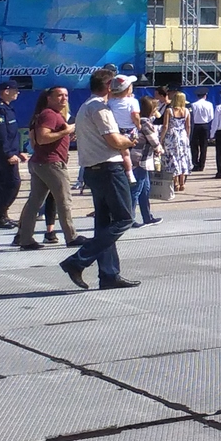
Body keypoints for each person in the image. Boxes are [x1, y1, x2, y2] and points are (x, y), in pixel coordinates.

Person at [59, 66, 140, 290]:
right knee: (124, 219)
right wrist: (131, 141)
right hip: (108, 169)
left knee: (104, 224)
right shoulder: (100, 109)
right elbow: (114, 141)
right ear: (108, 86)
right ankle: (77, 261)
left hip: (94, 170)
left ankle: (109, 274)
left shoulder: (87, 106)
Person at [12, 85, 76, 249]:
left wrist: (67, 134)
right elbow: (42, 138)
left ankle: (25, 239)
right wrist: (66, 131)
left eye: (66, 95)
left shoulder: (50, 115)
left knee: (34, 202)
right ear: (49, 98)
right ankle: (71, 237)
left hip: (41, 162)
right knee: (64, 201)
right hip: (51, 163)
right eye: (59, 95)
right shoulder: (50, 114)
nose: (64, 98)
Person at [0, 79, 21, 229]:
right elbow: (0, 134)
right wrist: (8, 154)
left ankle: (1, 216)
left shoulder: (8, 108)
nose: (18, 93)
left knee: (3, 184)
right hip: (5, 155)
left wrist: (19, 151)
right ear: (6, 91)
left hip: (10, 152)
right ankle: (1, 215)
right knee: (12, 183)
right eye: (15, 90)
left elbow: (12, 134)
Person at [130, 95, 162, 224]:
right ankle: (130, 219)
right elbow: (154, 140)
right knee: (136, 190)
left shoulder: (142, 120)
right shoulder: (145, 122)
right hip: (140, 159)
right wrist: (159, 148)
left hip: (144, 159)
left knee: (145, 189)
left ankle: (147, 216)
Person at [187, 88, 214, 172]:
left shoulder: (193, 105)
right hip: (205, 125)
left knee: (194, 146)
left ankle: (195, 163)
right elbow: (211, 117)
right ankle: (201, 165)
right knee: (204, 146)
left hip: (195, 126)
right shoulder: (209, 104)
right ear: (205, 96)